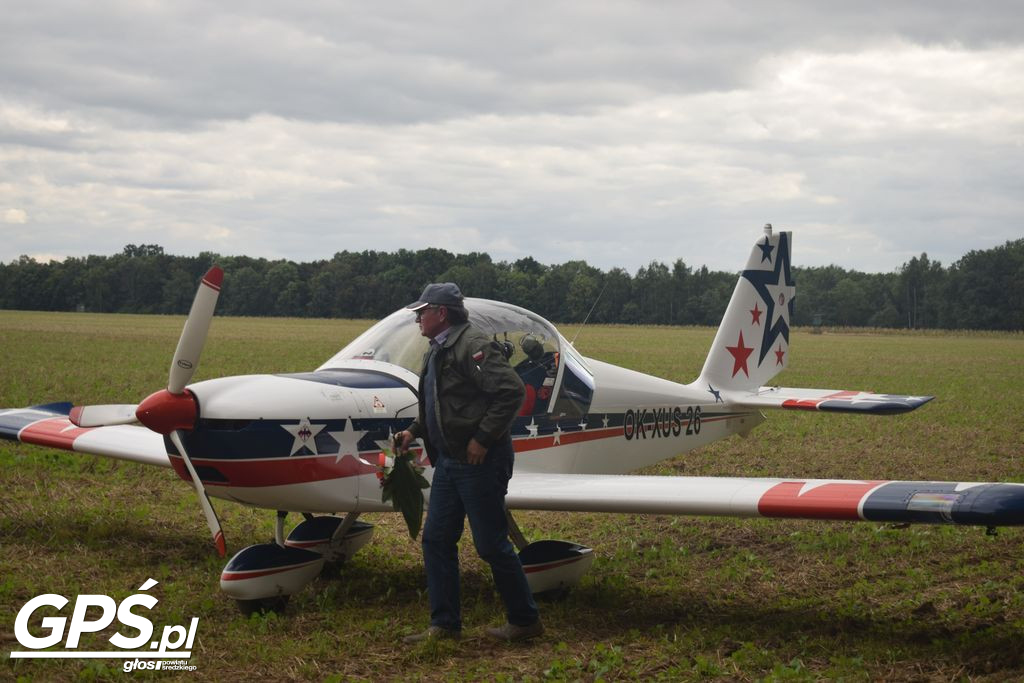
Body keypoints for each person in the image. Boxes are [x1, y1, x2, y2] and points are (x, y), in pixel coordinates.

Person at [395, 282, 542, 643]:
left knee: (491, 544)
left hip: (479, 461)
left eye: (422, 312)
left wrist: (482, 439)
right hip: (450, 461)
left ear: (441, 313)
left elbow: (510, 391)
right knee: (436, 539)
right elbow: (439, 402)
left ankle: (525, 621)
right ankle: (444, 626)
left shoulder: (472, 345)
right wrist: (413, 431)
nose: (418, 319)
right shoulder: (437, 349)